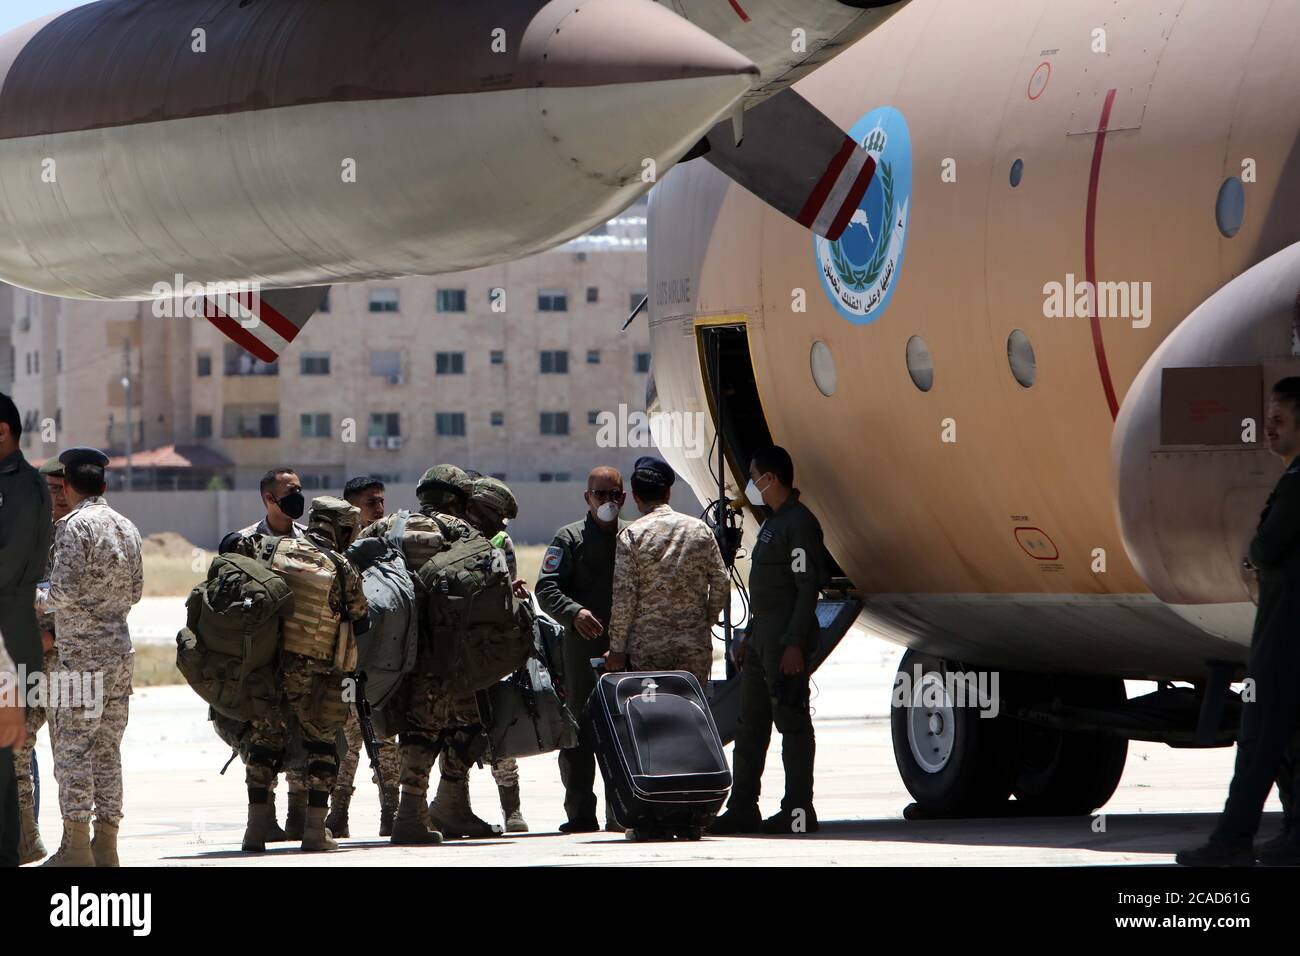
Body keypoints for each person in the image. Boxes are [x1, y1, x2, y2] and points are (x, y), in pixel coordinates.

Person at [1178, 378, 1300, 867]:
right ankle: (1294, 835)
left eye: (1279, 421)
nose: (1268, 430)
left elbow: (1266, 547)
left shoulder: (1296, 484)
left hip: (1283, 634)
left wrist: (1255, 556)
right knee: (1289, 742)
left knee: (1258, 740)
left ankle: (1232, 838)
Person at [353, 464, 484, 844]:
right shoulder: (460, 531)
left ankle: (412, 812)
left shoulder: (387, 524)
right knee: (441, 726)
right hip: (439, 649)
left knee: (405, 726)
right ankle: (412, 815)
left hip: (392, 647)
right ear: (458, 499)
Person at [235, 496, 369, 853]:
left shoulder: (273, 551)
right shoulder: (341, 565)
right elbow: (361, 617)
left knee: (262, 745)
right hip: (318, 672)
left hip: (268, 666)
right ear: (342, 529)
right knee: (322, 745)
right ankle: (314, 830)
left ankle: (255, 829)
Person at [35, 447, 143, 866]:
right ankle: (107, 845)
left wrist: (32, 596)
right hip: (119, 653)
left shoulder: (73, 528)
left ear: (67, 485)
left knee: (74, 753)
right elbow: (134, 592)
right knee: (107, 752)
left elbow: (59, 594)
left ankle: (77, 848)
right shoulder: (127, 526)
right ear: (104, 484)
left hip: (79, 658)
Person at [711, 445, 825, 836]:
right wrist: (750, 636)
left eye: (755, 476)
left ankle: (798, 810)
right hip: (763, 640)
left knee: (792, 723)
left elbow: (806, 585)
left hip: (784, 643)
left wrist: (794, 643)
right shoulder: (776, 522)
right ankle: (743, 806)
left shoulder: (798, 524)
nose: (750, 485)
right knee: (751, 724)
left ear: (770, 479)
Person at [535, 466, 628, 834]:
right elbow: (547, 589)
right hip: (580, 649)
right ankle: (580, 814)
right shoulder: (569, 538)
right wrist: (574, 613)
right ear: (586, 497)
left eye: (613, 494)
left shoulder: (633, 536)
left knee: (623, 730)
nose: (607, 501)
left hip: (624, 649)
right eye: (599, 494)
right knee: (578, 731)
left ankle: (621, 811)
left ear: (623, 497)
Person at [224, 466, 308, 839]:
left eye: (299, 489)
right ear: (269, 498)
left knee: (305, 734)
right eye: (290, 491)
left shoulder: (312, 541)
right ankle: (260, 822)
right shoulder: (242, 543)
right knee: (261, 738)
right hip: (260, 660)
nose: (298, 497)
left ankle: (300, 819)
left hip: (305, 656)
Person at [606, 455, 729, 684]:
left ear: (635, 497)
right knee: (691, 712)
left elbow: (624, 599)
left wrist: (617, 649)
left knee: (653, 714)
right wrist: (704, 621)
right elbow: (722, 581)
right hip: (693, 647)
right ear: (667, 493)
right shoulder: (699, 530)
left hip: (648, 650)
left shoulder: (631, 536)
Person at [328, 476, 399, 838]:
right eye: (372, 502)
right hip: (345, 658)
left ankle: (392, 811)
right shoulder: (337, 546)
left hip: (383, 661)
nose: (379, 509)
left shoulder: (390, 542)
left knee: (385, 737)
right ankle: (337, 813)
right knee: (348, 738)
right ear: (351, 507)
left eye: (381, 501)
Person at [457, 475, 528, 833]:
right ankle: (457, 806)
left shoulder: (501, 542)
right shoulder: (451, 537)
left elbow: (507, 597)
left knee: (500, 728)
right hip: (456, 651)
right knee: (456, 734)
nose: (500, 523)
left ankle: (512, 808)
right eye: (495, 514)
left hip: (491, 650)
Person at [0, 394, 52, 867]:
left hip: (9, 636)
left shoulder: (21, 486)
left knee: (10, 750)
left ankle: (17, 845)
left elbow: (12, 560)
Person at [13, 457, 72, 864]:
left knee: (72, 756)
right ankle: (25, 837)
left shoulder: (82, 534)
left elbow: (100, 601)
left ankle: (79, 843)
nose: (56, 497)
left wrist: (53, 637)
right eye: (49, 489)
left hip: (71, 662)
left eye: (61, 488)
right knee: (17, 749)